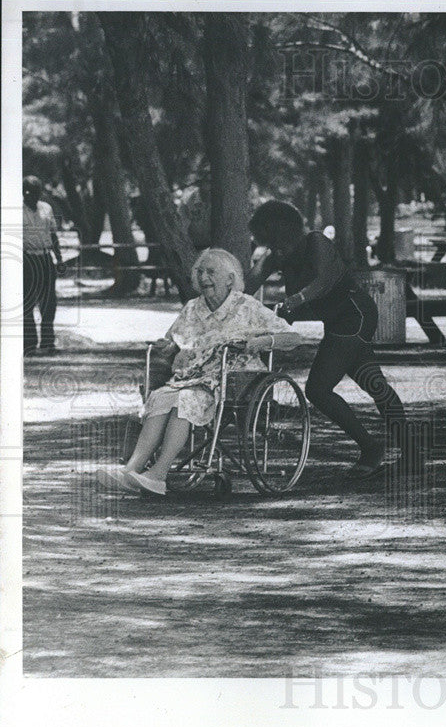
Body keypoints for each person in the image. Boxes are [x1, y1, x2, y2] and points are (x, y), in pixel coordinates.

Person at [97, 249, 302, 496]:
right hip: (192, 377)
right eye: (200, 272)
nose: (204, 277)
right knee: (161, 397)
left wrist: (262, 342)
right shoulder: (193, 308)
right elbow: (174, 340)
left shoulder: (247, 306)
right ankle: (131, 471)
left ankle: (159, 474)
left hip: (233, 378)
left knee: (185, 400)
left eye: (211, 272)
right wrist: (168, 347)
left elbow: (293, 337)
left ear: (229, 278)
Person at [244, 200, 414, 478]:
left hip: (355, 315)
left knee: (318, 390)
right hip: (338, 323)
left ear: (282, 231)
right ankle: (410, 455)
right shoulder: (277, 256)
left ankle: (372, 449)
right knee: (374, 384)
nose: (275, 250)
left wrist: (295, 300)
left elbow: (323, 281)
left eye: (272, 240)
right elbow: (248, 285)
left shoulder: (316, 242)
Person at [22, 176, 63, 355]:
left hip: (46, 259)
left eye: (37, 193)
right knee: (27, 302)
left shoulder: (46, 208)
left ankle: (48, 342)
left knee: (49, 302)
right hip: (27, 259)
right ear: (24, 193)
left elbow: (53, 236)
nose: (34, 197)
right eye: (31, 193)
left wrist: (59, 259)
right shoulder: (16, 210)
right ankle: (29, 343)